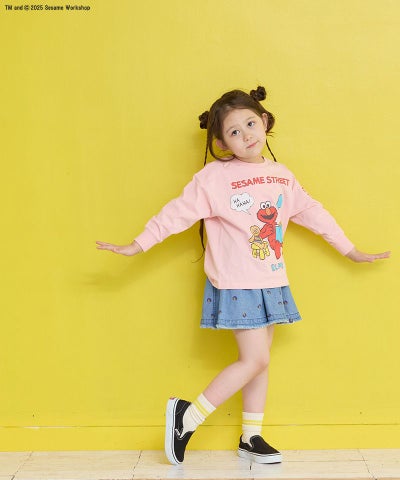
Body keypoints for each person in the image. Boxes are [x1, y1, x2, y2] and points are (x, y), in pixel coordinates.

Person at [96, 86, 390, 465]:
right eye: (234, 132)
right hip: (238, 282)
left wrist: (349, 249)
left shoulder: (282, 176)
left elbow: (313, 213)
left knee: (260, 360)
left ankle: (251, 436)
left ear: (264, 122)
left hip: (272, 280)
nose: (247, 135)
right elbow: (176, 213)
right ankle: (187, 417)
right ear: (222, 143)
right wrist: (139, 243)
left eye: (251, 124)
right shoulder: (214, 177)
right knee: (255, 360)